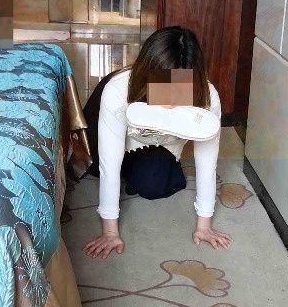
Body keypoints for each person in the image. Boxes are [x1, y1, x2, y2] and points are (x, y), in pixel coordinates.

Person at [82, 26, 232, 259]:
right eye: (163, 85)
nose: (170, 99)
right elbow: (109, 164)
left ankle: (145, 165)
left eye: (180, 88)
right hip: (112, 119)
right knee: (98, 167)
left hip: (156, 138)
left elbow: (207, 162)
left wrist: (204, 226)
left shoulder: (207, 96)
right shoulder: (118, 90)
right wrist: (110, 232)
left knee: (153, 186)